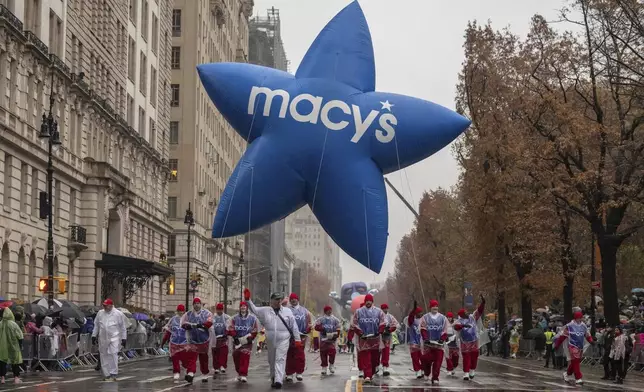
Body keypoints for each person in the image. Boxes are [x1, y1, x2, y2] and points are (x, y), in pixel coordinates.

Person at [245, 289, 302, 389]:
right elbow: (253, 309)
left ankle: (278, 380)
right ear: (271, 301)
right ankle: (273, 377)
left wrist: (297, 339)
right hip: (271, 340)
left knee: (280, 358)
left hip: (284, 339)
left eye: (279, 299)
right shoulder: (265, 310)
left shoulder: (287, 311)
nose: (278, 301)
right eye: (276, 299)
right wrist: (247, 299)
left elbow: (294, 326)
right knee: (272, 360)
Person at [348, 294, 385, 383]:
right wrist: (360, 334)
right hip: (363, 339)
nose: (368, 302)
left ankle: (371, 373)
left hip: (375, 339)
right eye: (367, 301)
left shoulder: (379, 312)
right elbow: (355, 324)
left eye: (370, 300)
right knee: (366, 358)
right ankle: (367, 375)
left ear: (372, 301)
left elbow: (383, 323)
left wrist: (379, 331)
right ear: (365, 302)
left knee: (375, 359)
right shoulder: (358, 312)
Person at [91, 299, 128, 382]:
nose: (104, 307)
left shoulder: (118, 314)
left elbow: (123, 327)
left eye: (106, 305)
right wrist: (93, 335)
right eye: (103, 305)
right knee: (103, 355)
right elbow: (96, 325)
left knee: (113, 354)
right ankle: (106, 374)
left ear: (111, 305)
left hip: (114, 337)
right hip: (103, 337)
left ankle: (113, 374)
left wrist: (124, 338)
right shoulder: (100, 313)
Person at [554, 311, 594, 385]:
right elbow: (563, 336)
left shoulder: (583, 326)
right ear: (576, 318)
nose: (581, 319)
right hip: (572, 345)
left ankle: (566, 374)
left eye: (581, 317)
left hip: (580, 346)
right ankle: (578, 378)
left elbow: (587, 335)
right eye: (580, 317)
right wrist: (557, 345)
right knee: (575, 361)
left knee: (575, 362)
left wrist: (591, 341)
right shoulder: (569, 326)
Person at [453, 295, 486, 381]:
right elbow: (456, 327)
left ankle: (472, 370)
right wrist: (463, 325)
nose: (467, 313)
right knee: (466, 358)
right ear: (462, 315)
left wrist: (483, 303)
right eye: (465, 312)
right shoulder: (459, 321)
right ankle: (466, 373)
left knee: (474, 356)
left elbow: (479, 311)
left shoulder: (472, 317)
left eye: (467, 312)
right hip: (465, 343)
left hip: (474, 341)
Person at [180, 297, 213, 383]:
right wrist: (189, 326)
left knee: (203, 358)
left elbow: (210, 322)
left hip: (204, 339)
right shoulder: (188, 314)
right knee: (191, 357)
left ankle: (205, 374)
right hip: (192, 340)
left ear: (201, 304)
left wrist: (201, 325)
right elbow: (183, 324)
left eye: (198, 303)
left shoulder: (207, 313)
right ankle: (190, 373)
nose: (196, 305)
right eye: (195, 303)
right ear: (193, 305)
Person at [228, 301, 259, 383]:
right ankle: (239, 372)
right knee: (236, 357)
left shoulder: (252, 318)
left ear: (247, 308)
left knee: (245, 357)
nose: (243, 308)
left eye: (244, 306)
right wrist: (234, 337)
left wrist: (251, 337)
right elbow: (230, 328)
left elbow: (255, 329)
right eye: (241, 306)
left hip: (247, 341)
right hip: (237, 341)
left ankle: (243, 374)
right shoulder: (234, 318)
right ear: (239, 308)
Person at [420, 299, 448, 384]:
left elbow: (445, 330)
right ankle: (427, 372)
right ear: (430, 307)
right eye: (433, 306)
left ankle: (435, 377)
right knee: (426, 360)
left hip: (439, 345)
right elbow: (423, 329)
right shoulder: (425, 317)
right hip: (428, 345)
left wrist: (442, 339)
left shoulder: (443, 318)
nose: (435, 307)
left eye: (436, 306)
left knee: (438, 362)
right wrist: (426, 339)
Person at [286, 293, 312, 382]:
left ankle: (299, 373)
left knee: (300, 355)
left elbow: (309, 323)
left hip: (301, 337)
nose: (293, 300)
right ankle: (289, 373)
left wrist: (307, 330)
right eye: (291, 299)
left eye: (295, 299)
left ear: (298, 300)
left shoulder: (305, 311)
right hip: (289, 337)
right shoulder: (286, 310)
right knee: (290, 355)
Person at [161, 304, 191, 381]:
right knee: (175, 359)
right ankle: (176, 372)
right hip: (174, 343)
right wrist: (163, 342)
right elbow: (168, 331)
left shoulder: (187, 320)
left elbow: (192, 332)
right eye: (179, 311)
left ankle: (186, 369)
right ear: (177, 311)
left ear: (184, 311)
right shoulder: (173, 319)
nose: (180, 312)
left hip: (184, 343)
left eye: (182, 311)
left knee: (184, 360)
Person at [315, 305, 341, 375]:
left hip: (332, 340)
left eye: (330, 310)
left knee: (332, 352)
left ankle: (331, 365)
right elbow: (316, 327)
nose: (329, 311)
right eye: (328, 310)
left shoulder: (335, 319)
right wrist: (322, 329)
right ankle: (324, 367)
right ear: (325, 311)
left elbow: (338, 327)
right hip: (323, 340)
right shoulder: (321, 319)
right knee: (323, 353)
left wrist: (336, 335)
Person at [0, 307, 24, 384]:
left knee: (2, 362)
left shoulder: (0, 324)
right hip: (14, 346)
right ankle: (16, 378)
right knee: (15, 362)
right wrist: (20, 344)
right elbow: (20, 335)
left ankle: (2, 378)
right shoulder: (14, 324)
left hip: (2, 346)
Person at [210, 303, 231, 375]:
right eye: (218, 309)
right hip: (214, 338)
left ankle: (222, 366)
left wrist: (226, 332)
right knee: (215, 353)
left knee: (223, 352)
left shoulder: (227, 317)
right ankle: (216, 367)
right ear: (216, 310)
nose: (219, 311)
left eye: (221, 309)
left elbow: (229, 326)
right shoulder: (213, 317)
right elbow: (210, 326)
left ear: (223, 309)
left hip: (223, 338)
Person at [379, 303, 399, 376]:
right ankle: (376, 366)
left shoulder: (390, 317)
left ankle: (385, 367)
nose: (385, 310)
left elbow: (395, 324)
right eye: (383, 308)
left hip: (387, 336)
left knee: (386, 352)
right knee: (377, 352)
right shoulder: (378, 316)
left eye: (386, 308)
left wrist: (389, 330)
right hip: (378, 336)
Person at [407, 303, 424, 379]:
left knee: (423, 358)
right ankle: (418, 371)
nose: (420, 314)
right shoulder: (412, 321)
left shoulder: (424, 320)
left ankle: (423, 369)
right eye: (418, 312)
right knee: (415, 358)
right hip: (414, 343)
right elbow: (410, 318)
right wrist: (412, 311)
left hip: (422, 343)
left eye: (421, 313)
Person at [445, 311, 460, 376]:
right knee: (448, 358)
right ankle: (449, 369)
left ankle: (453, 368)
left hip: (455, 345)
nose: (449, 318)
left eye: (450, 317)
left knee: (455, 358)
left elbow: (459, 331)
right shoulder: (444, 324)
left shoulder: (455, 324)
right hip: (447, 345)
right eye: (448, 317)